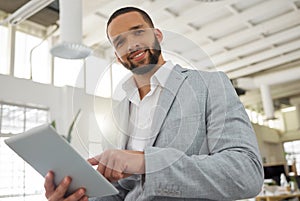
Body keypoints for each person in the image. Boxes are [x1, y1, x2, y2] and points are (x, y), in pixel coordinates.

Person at [44, 6, 264, 201]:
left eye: (138, 32)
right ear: (117, 55)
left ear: (157, 35)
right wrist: (77, 196)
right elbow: (119, 192)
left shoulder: (210, 84)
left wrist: (146, 162)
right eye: (120, 41)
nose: (132, 44)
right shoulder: (118, 112)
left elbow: (246, 173)